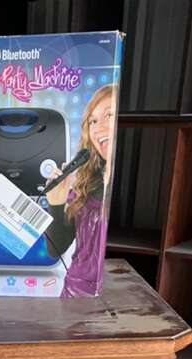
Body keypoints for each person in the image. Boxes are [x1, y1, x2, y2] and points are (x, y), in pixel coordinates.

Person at [45, 83, 117, 297]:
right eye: (93, 121)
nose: (98, 128)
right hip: (72, 295)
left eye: (109, 116)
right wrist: (56, 205)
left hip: (110, 295)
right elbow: (54, 249)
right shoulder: (87, 181)